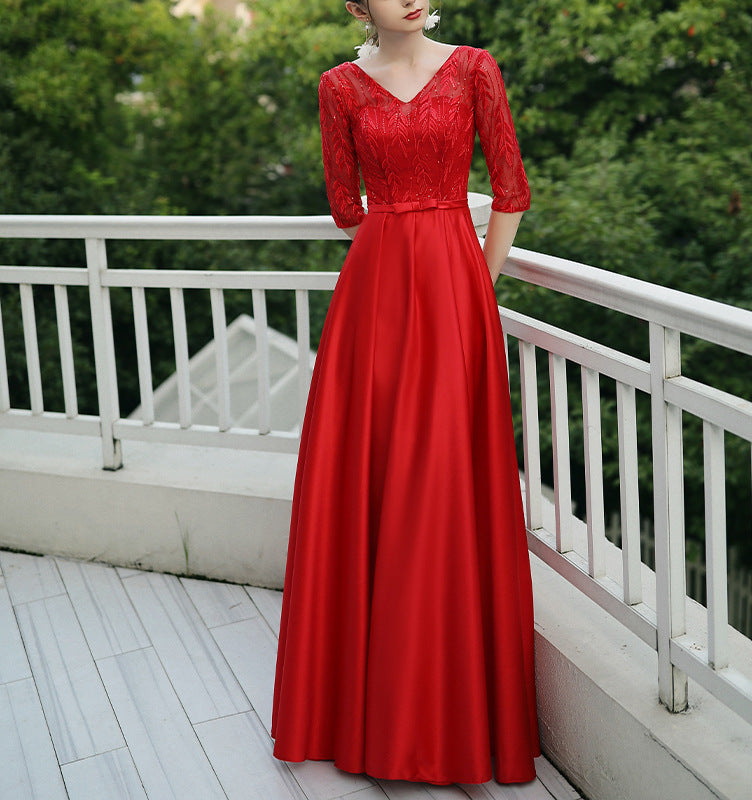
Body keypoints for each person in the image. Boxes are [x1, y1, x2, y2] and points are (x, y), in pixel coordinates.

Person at [271, 0, 541, 785]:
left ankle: (440, 712)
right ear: (358, 5)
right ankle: (376, 715)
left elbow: (512, 189)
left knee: (443, 484)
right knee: (377, 479)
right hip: (377, 302)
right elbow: (341, 205)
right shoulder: (338, 87)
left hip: (455, 290)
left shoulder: (475, 69)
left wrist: (471, 288)